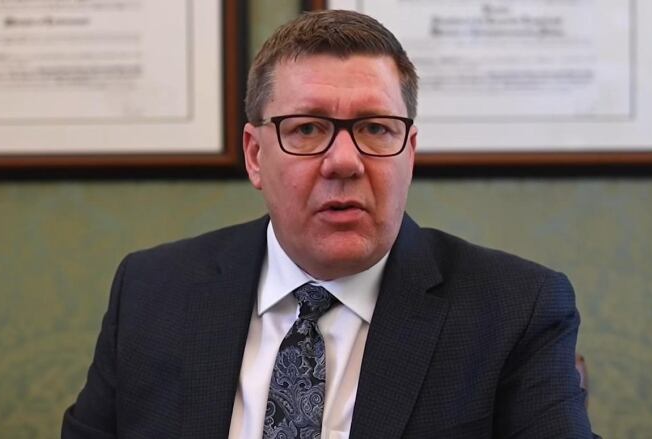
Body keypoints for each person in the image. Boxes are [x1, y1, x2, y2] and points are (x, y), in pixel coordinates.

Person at [62, 10, 597, 439]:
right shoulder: (153, 290)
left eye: (376, 129)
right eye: (309, 128)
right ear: (254, 155)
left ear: (409, 154)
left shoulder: (515, 307)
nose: (344, 161)